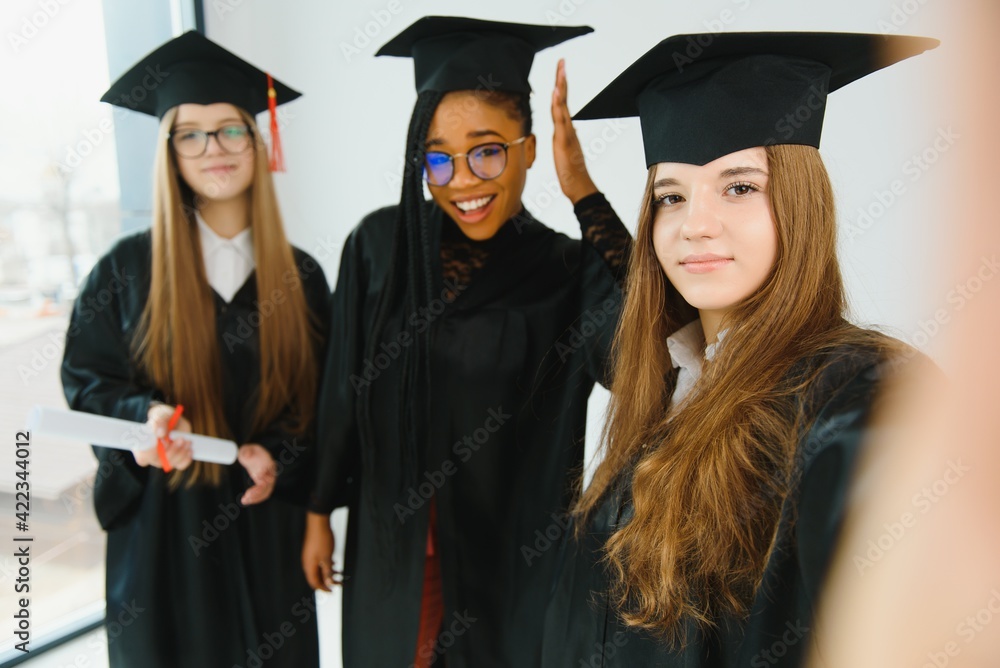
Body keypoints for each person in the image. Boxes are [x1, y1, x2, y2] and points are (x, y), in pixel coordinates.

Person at [539, 31, 938, 666]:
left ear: (799, 203)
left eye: (740, 187)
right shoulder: (670, 383)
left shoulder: (849, 386)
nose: (695, 224)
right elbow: (640, 294)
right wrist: (583, 194)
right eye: (672, 197)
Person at [300, 16, 630, 668]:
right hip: (396, 549)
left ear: (529, 149)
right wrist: (316, 511)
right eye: (438, 157)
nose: (462, 180)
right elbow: (341, 391)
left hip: (508, 560)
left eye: (488, 151)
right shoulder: (378, 248)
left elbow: (647, 354)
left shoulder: (566, 271)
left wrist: (585, 194)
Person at [60, 31, 328, 668]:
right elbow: (88, 383)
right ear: (170, 152)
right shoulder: (125, 272)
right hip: (164, 540)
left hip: (267, 529)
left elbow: (324, 403)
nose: (214, 149)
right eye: (191, 134)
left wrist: (282, 464)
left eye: (231, 130)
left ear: (257, 142)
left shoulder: (301, 277)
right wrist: (145, 419)